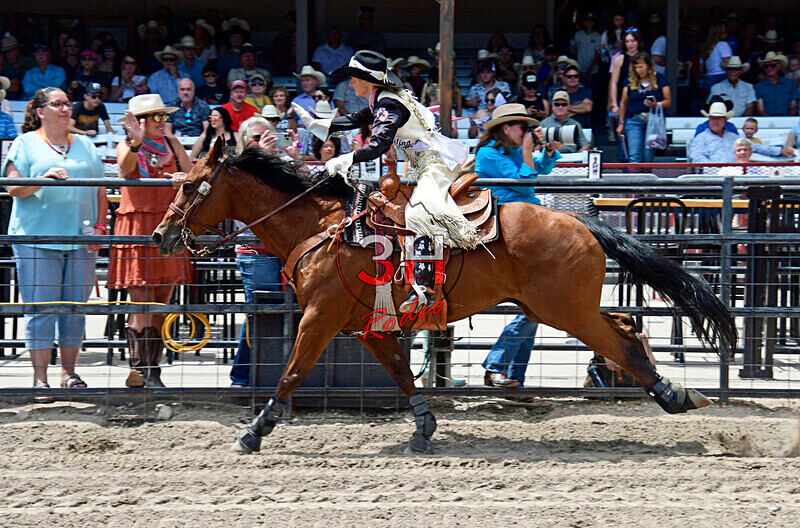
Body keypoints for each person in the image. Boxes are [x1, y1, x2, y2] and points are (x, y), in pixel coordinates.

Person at [295, 50, 479, 311]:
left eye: (353, 78)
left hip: (435, 166)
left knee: (419, 214)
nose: (349, 83)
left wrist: (346, 159)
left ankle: (423, 288)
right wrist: (320, 125)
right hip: (424, 165)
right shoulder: (382, 99)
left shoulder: (389, 104)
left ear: (365, 80)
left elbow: (379, 144)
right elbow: (355, 119)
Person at [3, 87, 107, 399]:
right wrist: (44, 179)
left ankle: (69, 373)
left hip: (81, 239)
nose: (65, 109)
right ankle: (40, 379)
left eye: (66, 104)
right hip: (36, 238)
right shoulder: (25, 143)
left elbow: (101, 190)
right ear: (40, 111)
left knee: (75, 309)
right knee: (41, 309)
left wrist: (102, 227)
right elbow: (13, 188)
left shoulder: (86, 145)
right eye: (57, 104)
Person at [473, 103, 561, 387]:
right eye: (522, 127)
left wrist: (546, 152)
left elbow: (539, 171)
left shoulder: (508, 151)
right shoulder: (487, 153)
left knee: (536, 308)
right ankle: (500, 368)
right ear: (505, 128)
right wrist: (527, 150)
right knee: (537, 305)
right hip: (507, 230)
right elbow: (526, 183)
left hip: (524, 226)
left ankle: (510, 377)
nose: (527, 131)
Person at [108, 94, 192, 388]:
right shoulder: (127, 145)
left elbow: (193, 174)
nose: (163, 122)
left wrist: (181, 167)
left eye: (164, 116)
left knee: (161, 301)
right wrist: (136, 140)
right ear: (140, 122)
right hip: (138, 226)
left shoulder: (171, 144)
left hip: (166, 226)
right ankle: (138, 368)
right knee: (140, 300)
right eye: (156, 117)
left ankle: (152, 369)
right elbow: (124, 167)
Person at [691, 100, 792, 162]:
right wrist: (715, 170)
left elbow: (754, 146)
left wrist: (779, 151)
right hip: (712, 178)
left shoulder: (733, 136)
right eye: (713, 118)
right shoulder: (701, 138)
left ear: (725, 121)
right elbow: (698, 158)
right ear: (709, 120)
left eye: (719, 118)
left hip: (736, 174)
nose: (716, 122)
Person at [616, 53, 671, 163]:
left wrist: (656, 104)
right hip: (634, 120)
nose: (638, 70)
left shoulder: (660, 79)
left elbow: (668, 100)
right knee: (634, 155)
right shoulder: (629, 81)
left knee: (648, 155)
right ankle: (634, 178)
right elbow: (623, 103)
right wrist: (621, 122)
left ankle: (646, 178)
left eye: (641, 67)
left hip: (652, 120)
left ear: (649, 66)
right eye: (635, 67)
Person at [700, 22, 732, 93]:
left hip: (708, 78)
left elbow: (701, 69)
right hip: (720, 77)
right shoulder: (723, 45)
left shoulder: (706, 46)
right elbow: (728, 64)